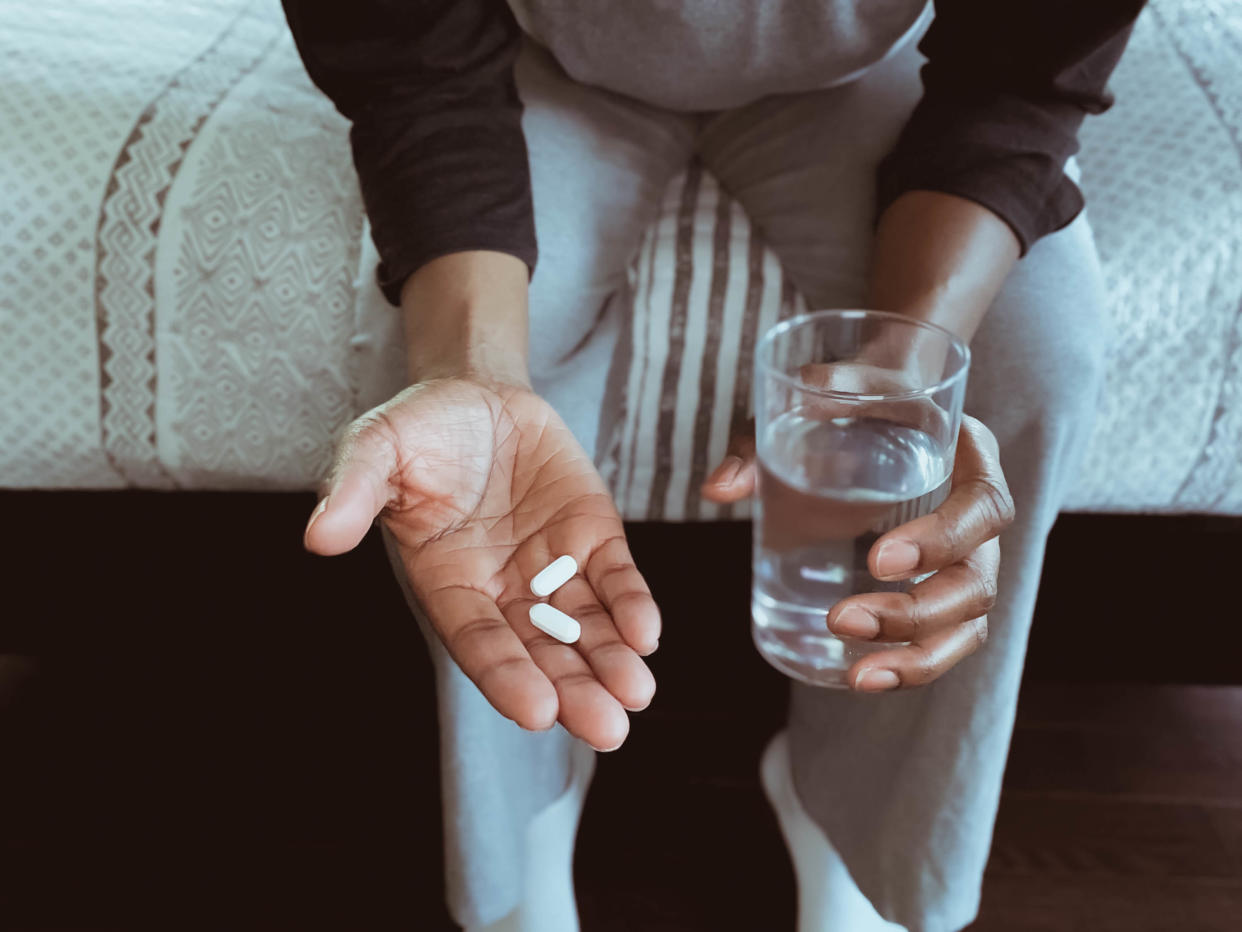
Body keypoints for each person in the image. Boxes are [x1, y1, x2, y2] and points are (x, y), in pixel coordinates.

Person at [281, 1, 1144, 929]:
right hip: (537, 64)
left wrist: (904, 375)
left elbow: (1019, 73)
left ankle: (848, 818)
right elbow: (410, 59)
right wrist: (471, 370)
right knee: (433, 405)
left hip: (865, 79)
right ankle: (523, 812)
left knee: (1034, 354)